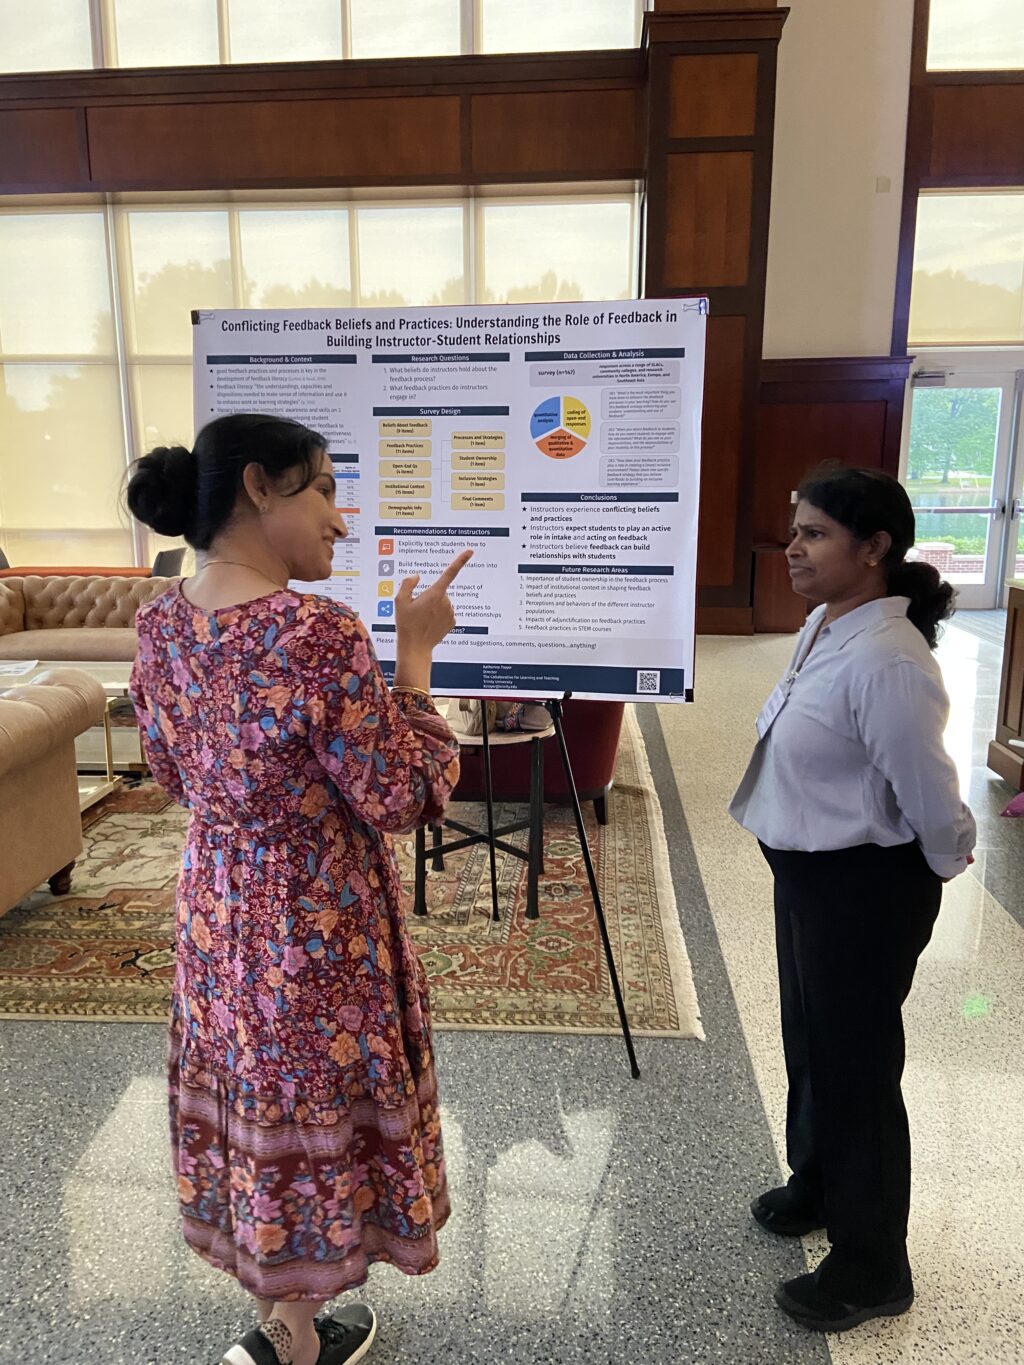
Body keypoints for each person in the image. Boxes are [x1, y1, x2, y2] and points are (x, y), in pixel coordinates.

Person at [126, 413, 472, 1365]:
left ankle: (291, 1320)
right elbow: (403, 794)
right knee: (311, 1092)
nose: (342, 518)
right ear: (259, 487)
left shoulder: (158, 615)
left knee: (254, 1090)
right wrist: (416, 656)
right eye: (324, 488)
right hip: (312, 925)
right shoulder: (317, 632)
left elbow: (165, 769)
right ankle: (294, 1331)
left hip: (214, 904)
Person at [729, 465, 976, 1333]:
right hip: (808, 873)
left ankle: (873, 1266)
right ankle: (821, 1183)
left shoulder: (889, 659)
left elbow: (932, 794)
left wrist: (932, 873)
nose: (794, 547)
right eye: (795, 530)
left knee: (860, 1071)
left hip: (863, 887)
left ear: (874, 549)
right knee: (813, 1043)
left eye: (816, 534)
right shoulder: (828, 622)